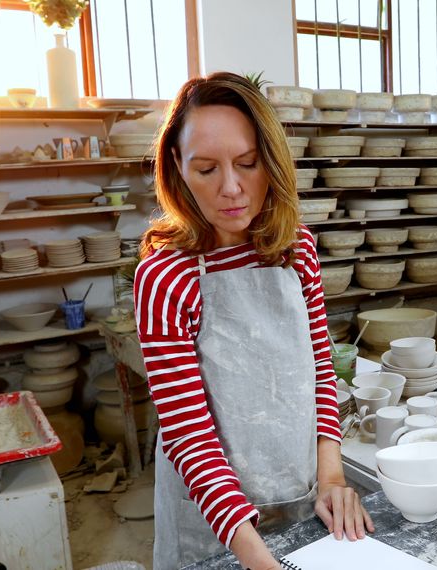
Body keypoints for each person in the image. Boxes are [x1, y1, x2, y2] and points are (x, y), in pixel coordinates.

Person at [133, 72, 374, 570]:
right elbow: (188, 434)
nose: (232, 188)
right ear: (176, 166)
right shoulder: (166, 276)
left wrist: (331, 480)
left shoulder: (295, 249)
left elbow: (319, 374)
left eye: (248, 163)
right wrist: (259, 561)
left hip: (299, 490)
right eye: (205, 169)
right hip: (215, 524)